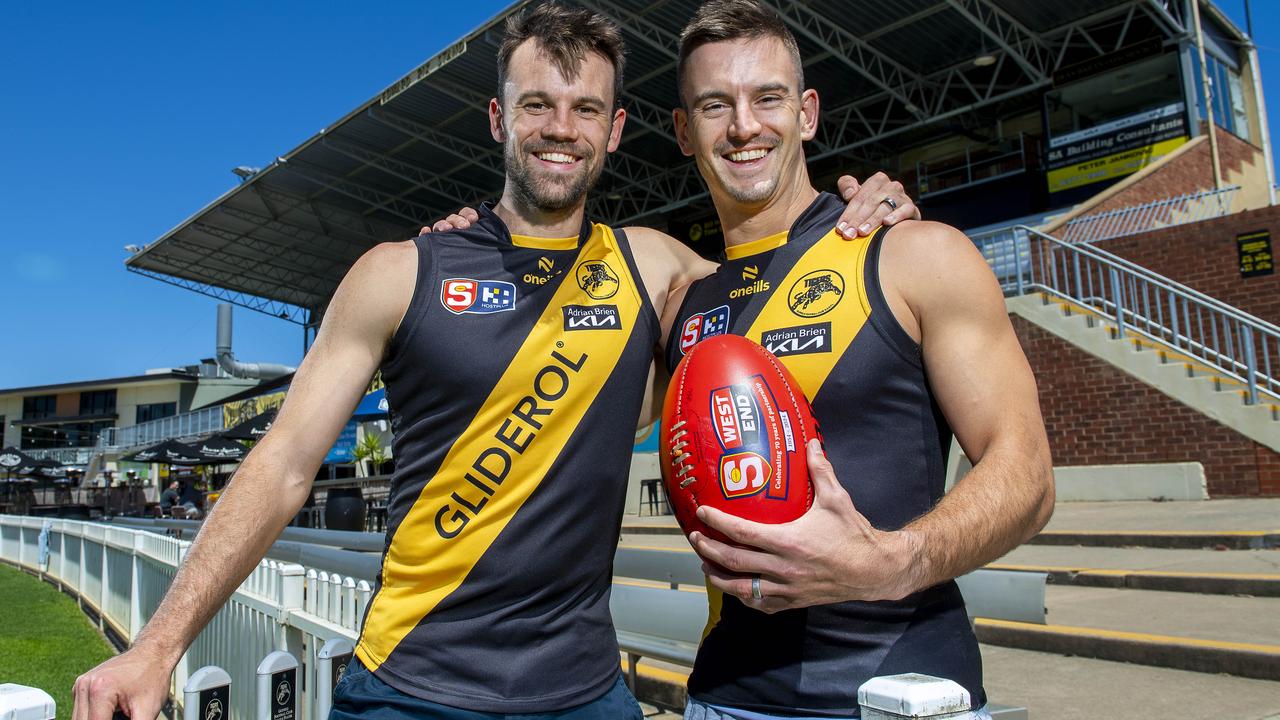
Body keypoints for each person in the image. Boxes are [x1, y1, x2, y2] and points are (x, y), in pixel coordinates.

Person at [71, 5, 921, 720]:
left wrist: (867, 201)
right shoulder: (399, 271)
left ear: (617, 130)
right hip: (409, 685)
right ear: (498, 118)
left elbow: (787, 277)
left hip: (587, 694)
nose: (562, 129)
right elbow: (284, 464)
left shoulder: (653, 266)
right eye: (538, 105)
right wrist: (157, 647)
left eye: (586, 109)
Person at [657, 3, 1055, 718]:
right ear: (685, 132)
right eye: (716, 105)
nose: (744, 125)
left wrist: (892, 562)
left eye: (767, 98)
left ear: (807, 113)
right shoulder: (680, 306)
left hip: (899, 695)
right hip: (725, 699)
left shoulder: (913, 253)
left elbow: (1027, 476)